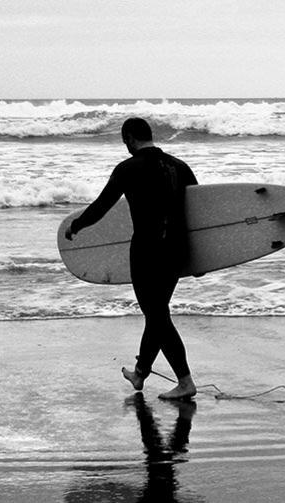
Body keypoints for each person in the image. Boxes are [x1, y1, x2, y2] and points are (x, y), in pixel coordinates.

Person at [66, 117, 198, 400]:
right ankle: (140, 373)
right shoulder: (179, 166)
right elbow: (198, 215)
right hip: (176, 251)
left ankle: (185, 381)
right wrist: (200, 260)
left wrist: (76, 225)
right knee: (157, 313)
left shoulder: (128, 168)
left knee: (157, 315)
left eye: (124, 139)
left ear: (128, 138)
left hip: (147, 252)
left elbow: (102, 206)